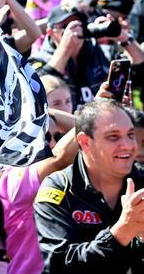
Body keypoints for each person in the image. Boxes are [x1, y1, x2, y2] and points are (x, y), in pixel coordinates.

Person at [34, 98, 144, 273]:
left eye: (131, 135)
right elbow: (59, 265)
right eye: (113, 137)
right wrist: (122, 231)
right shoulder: (58, 187)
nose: (128, 146)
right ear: (85, 142)